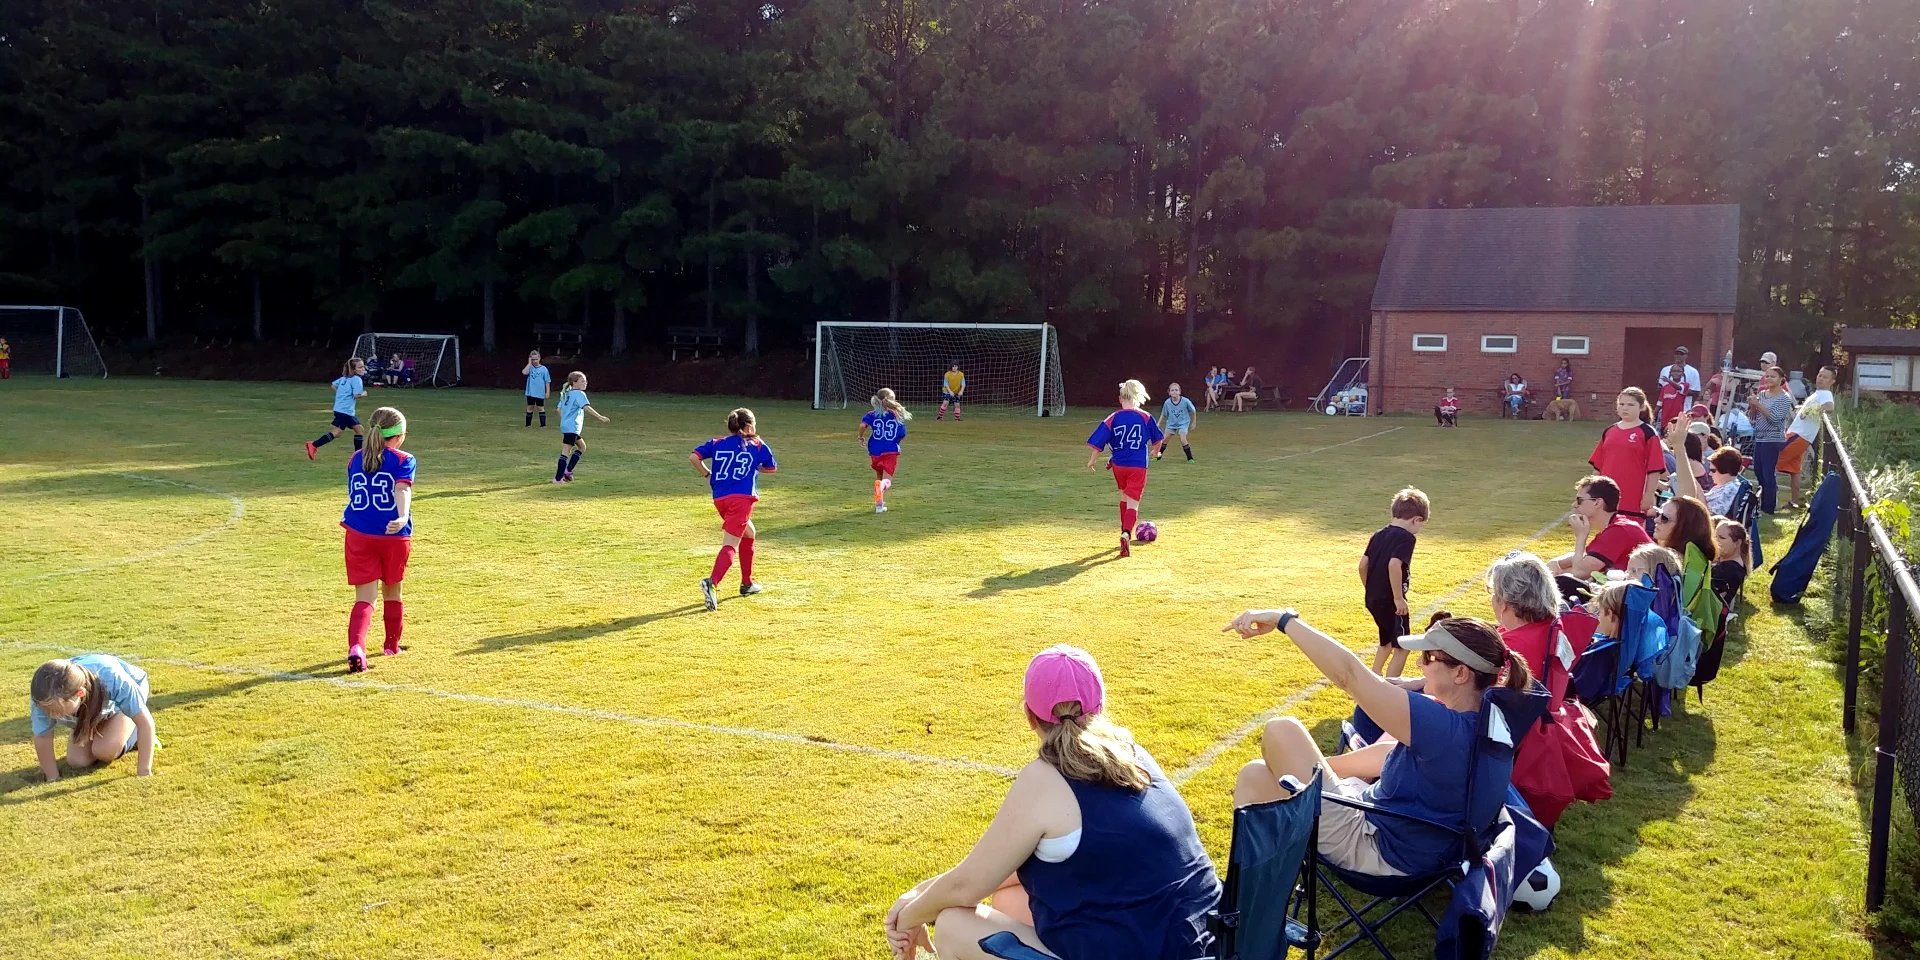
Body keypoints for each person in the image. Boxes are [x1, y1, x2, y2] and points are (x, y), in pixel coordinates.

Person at [883, 646, 1220, 960]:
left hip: (1147, 949)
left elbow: (966, 887)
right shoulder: (1134, 755)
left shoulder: (1044, 780)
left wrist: (908, 916)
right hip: (1214, 942)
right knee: (1012, 899)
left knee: (953, 924)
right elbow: (995, 871)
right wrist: (919, 894)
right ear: (1100, 707)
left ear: (1030, 717)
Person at [1225, 609, 1533, 879]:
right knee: (1255, 775)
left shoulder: (1445, 728)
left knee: (1282, 729)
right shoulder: (1490, 721)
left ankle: (1254, 892)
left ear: (1461, 674)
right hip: (1430, 848)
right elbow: (1392, 755)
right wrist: (1325, 769)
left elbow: (1349, 675)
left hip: (1379, 850)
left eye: (1429, 657)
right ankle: (1252, 894)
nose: (1420, 663)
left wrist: (1283, 620)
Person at [340, 407, 415, 673]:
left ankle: (357, 647)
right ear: (400, 435)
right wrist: (403, 516)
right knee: (393, 590)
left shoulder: (355, 458)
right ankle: (391, 645)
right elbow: (402, 488)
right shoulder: (404, 459)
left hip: (358, 533)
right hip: (392, 534)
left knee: (365, 597)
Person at [692, 408, 777, 610]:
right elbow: (771, 467)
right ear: (748, 427)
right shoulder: (757, 444)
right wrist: (754, 466)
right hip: (741, 499)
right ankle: (712, 582)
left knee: (749, 533)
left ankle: (747, 583)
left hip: (720, 498)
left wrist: (707, 475)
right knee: (731, 544)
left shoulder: (717, 443)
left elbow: (694, 457)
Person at [29, 655, 157, 780]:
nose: (52, 715)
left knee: (105, 750)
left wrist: (144, 771)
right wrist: (52, 776)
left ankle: (134, 735)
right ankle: (103, 727)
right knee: (78, 761)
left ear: (80, 693)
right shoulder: (44, 696)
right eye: (48, 710)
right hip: (91, 707)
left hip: (121, 703)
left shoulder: (113, 679)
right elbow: (43, 736)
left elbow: (145, 723)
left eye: (58, 710)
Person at [1087, 380, 1164, 558]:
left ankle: (1124, 531)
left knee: (1124, 496)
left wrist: (1092, 461)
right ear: (1137, 397)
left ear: (1121, 399)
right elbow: (1158, 438)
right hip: (1137, 465)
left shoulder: (1113, 417)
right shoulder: (1145, 417)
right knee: (1133, 503)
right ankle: (1126, 533)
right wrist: (1156, 452)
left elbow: (1099, 440)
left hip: (1119, 466)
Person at [1359, 488, 1429, 677]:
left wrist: (1371, 589)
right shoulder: (1406, 538)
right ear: (1416, 520)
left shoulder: (1378, 534)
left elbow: (1363, 565)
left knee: (1387, 640)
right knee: (1403, 646)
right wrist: (1398, 598)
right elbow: (1394, 564)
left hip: (1373, 598)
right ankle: (1390, 686)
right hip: (1392, 601)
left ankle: (1374, 674)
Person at [1550, 475, 1652, 580]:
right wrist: (1556, 563)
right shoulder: (1617, 527)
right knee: (1563, 574)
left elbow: (1579, 573)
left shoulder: (1619, 530)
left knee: (1566, 579)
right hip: (1640, 586)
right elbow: (1584, 558)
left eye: (1580, 500)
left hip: (1647, 588)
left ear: (1597, 503)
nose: (1574, 505)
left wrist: (1581, 536)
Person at [1588, 387, 1665, 522]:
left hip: (1633, 496)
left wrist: (1648, 494)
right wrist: (1592, 491)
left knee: (1630, 531)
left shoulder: (1648, 433)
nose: (1625, 408)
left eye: (1630, 405)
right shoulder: (1610, 431)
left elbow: (1654, 469)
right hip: (1606, 495)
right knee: (1606, 530)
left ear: (1641, 407)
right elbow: (1597, 467)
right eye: (1621, 404)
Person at [1780, 366, 1837, 509]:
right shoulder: (1817, 393)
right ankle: (1794, 502)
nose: (1821, 379)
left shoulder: (1825, 394)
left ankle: (1767, 499)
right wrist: (1803, 409)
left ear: (1832, 381)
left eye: (1825, 377)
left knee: (1772, 460)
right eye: (1820, 375)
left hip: (1800, 435)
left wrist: (1813, 410)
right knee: (1794, 470)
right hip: (1800, 434)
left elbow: (1829, 407)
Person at [1748, 366, 1796, 513]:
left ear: (1781, 379)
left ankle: (1769, 507)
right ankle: (1763, 500)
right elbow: (1753, 417)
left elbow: (1775, 419)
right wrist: (1753, 405)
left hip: (1773, 439)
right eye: (1767, 376)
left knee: (1768, 473)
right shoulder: (1762, 394)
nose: (1768, 379)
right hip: (1760, 437)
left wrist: (1758, 404)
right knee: (1758, 471)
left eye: (1773, 376)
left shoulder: (1784, 398)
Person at [553, 371, 611, 483]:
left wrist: (565, 419)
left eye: (585, 381)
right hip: (572, 427)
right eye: (582, 381)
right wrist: (599, 417)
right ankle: (558, 478)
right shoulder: (579, 394)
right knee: (566, 451)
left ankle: (568, 471)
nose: (585, 383)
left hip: (567, 426)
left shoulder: (566, 393)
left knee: (582, 447)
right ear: (574, 383)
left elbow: (559, 409)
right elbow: (586, 407)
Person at [860, 388, 911, 513]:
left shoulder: (872, 414)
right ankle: (881, 488)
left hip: (874, 450)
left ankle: (879, 505)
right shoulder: (896, 416)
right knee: (886, 481)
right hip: (890, 451)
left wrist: (860, 437)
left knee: (879, 477)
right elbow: (901, 434)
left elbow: (862, 425)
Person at [306, 358, 369, 460]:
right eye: (360, 367)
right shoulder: (357, 380)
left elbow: (333, 385)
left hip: (339, 409)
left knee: (348, 431)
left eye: (363, 366)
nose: (363, 369)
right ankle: (357, 456)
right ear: (353, 369)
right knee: (351, 431)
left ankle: (314, 445)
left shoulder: (344, 378)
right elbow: (356, 395)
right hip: (346, 411)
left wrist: (341, 394)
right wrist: (364, 394)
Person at [1711, 518, 1751, 609]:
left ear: (1737, 543)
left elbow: (1709, 601)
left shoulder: (1729, 570)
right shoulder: (1729, 564)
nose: (1715, 541)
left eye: (1722, 538)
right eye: (1715, 537)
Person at [1155, 382, 1197, 462]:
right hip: (1171, 423)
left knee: (1182, 439)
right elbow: (1163, 414)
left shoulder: (1185, 401)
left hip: (1183, 423)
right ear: (1169, 392)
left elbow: (1193, 410)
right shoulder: (1167, 402)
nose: (1174, 392)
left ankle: (1190, 458)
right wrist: (1159, 423)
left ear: (1180, 392)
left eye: (1176, 390)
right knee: (1164, 439)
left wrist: (1194, 422)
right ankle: (1158, 456)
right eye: (1172, 390)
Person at [1701, 446, 1747, 517]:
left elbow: (1711, 517)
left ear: (1725, 470)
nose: (1710, 474)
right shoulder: (1728, 485)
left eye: (1713, 470)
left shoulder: (1729, 490)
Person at [522, 350, 552, 427]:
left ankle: (543, 425)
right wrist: (529, 363)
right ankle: (528, 425)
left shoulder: (544, 369)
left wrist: (547, 392)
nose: (534, 361)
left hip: (539, 392)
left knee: (540, 407)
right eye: (532, 359)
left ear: (539, 358)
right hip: (530, 392)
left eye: (536, 359)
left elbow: (547, 381)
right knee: (530, 407)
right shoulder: (530, 368)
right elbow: (524, 372)